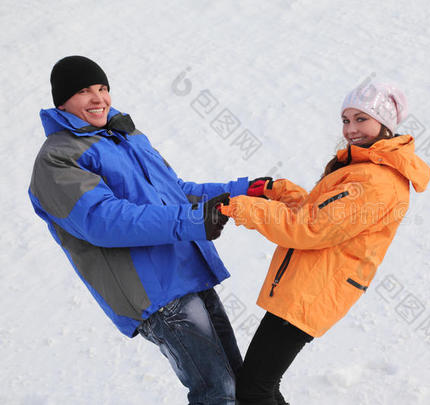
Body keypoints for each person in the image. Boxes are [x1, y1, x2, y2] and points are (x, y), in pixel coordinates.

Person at [28, 55, 270, 405]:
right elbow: (104, 221)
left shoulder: (126, 136)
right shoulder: (58, 159)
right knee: (218, 393)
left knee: (240, 384)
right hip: (155, 291)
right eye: (84, 91)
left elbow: (174, 191)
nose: (98, 98)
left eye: (102, 88)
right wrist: (193, 221)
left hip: (189, 271)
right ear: (61, 102)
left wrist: (242, 191)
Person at [218, 82, 430, 404]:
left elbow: (309, 229)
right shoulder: (364, 167)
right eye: (346, 120)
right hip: (306, 286)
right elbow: (323, 218)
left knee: (254, 389)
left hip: (313, 291)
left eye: (361, 119)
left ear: (384, 124)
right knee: (262, 385)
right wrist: (280, 190)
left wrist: (240, 207)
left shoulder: (376, 180)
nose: (351, 129)